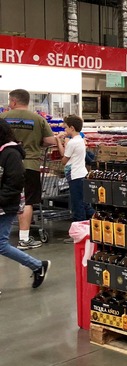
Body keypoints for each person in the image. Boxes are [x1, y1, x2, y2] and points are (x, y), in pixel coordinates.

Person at [0, 89, 57, 250]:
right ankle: (24, 239)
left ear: (13, 101)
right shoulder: (38, 119)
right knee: (27, 201)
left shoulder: (2, 118)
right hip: (30, 164)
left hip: (4, 165)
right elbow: (48, 140)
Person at [0, 119, 51, 288]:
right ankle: (38, 266)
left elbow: (14, 183)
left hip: (5, 205)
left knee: (1, 244)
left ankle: (37, 266)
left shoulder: (10, 153)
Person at [56, 114, 94, 223]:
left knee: (77, 204)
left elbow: (64, 160)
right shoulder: (80, 140)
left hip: (75, 176)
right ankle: (94, 223)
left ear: (72, 128)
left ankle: (79, 227)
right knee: (84, 203)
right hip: (82, 174)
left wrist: (59, 141)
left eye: (66, 127)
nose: (64, 129)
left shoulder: (72, 143)